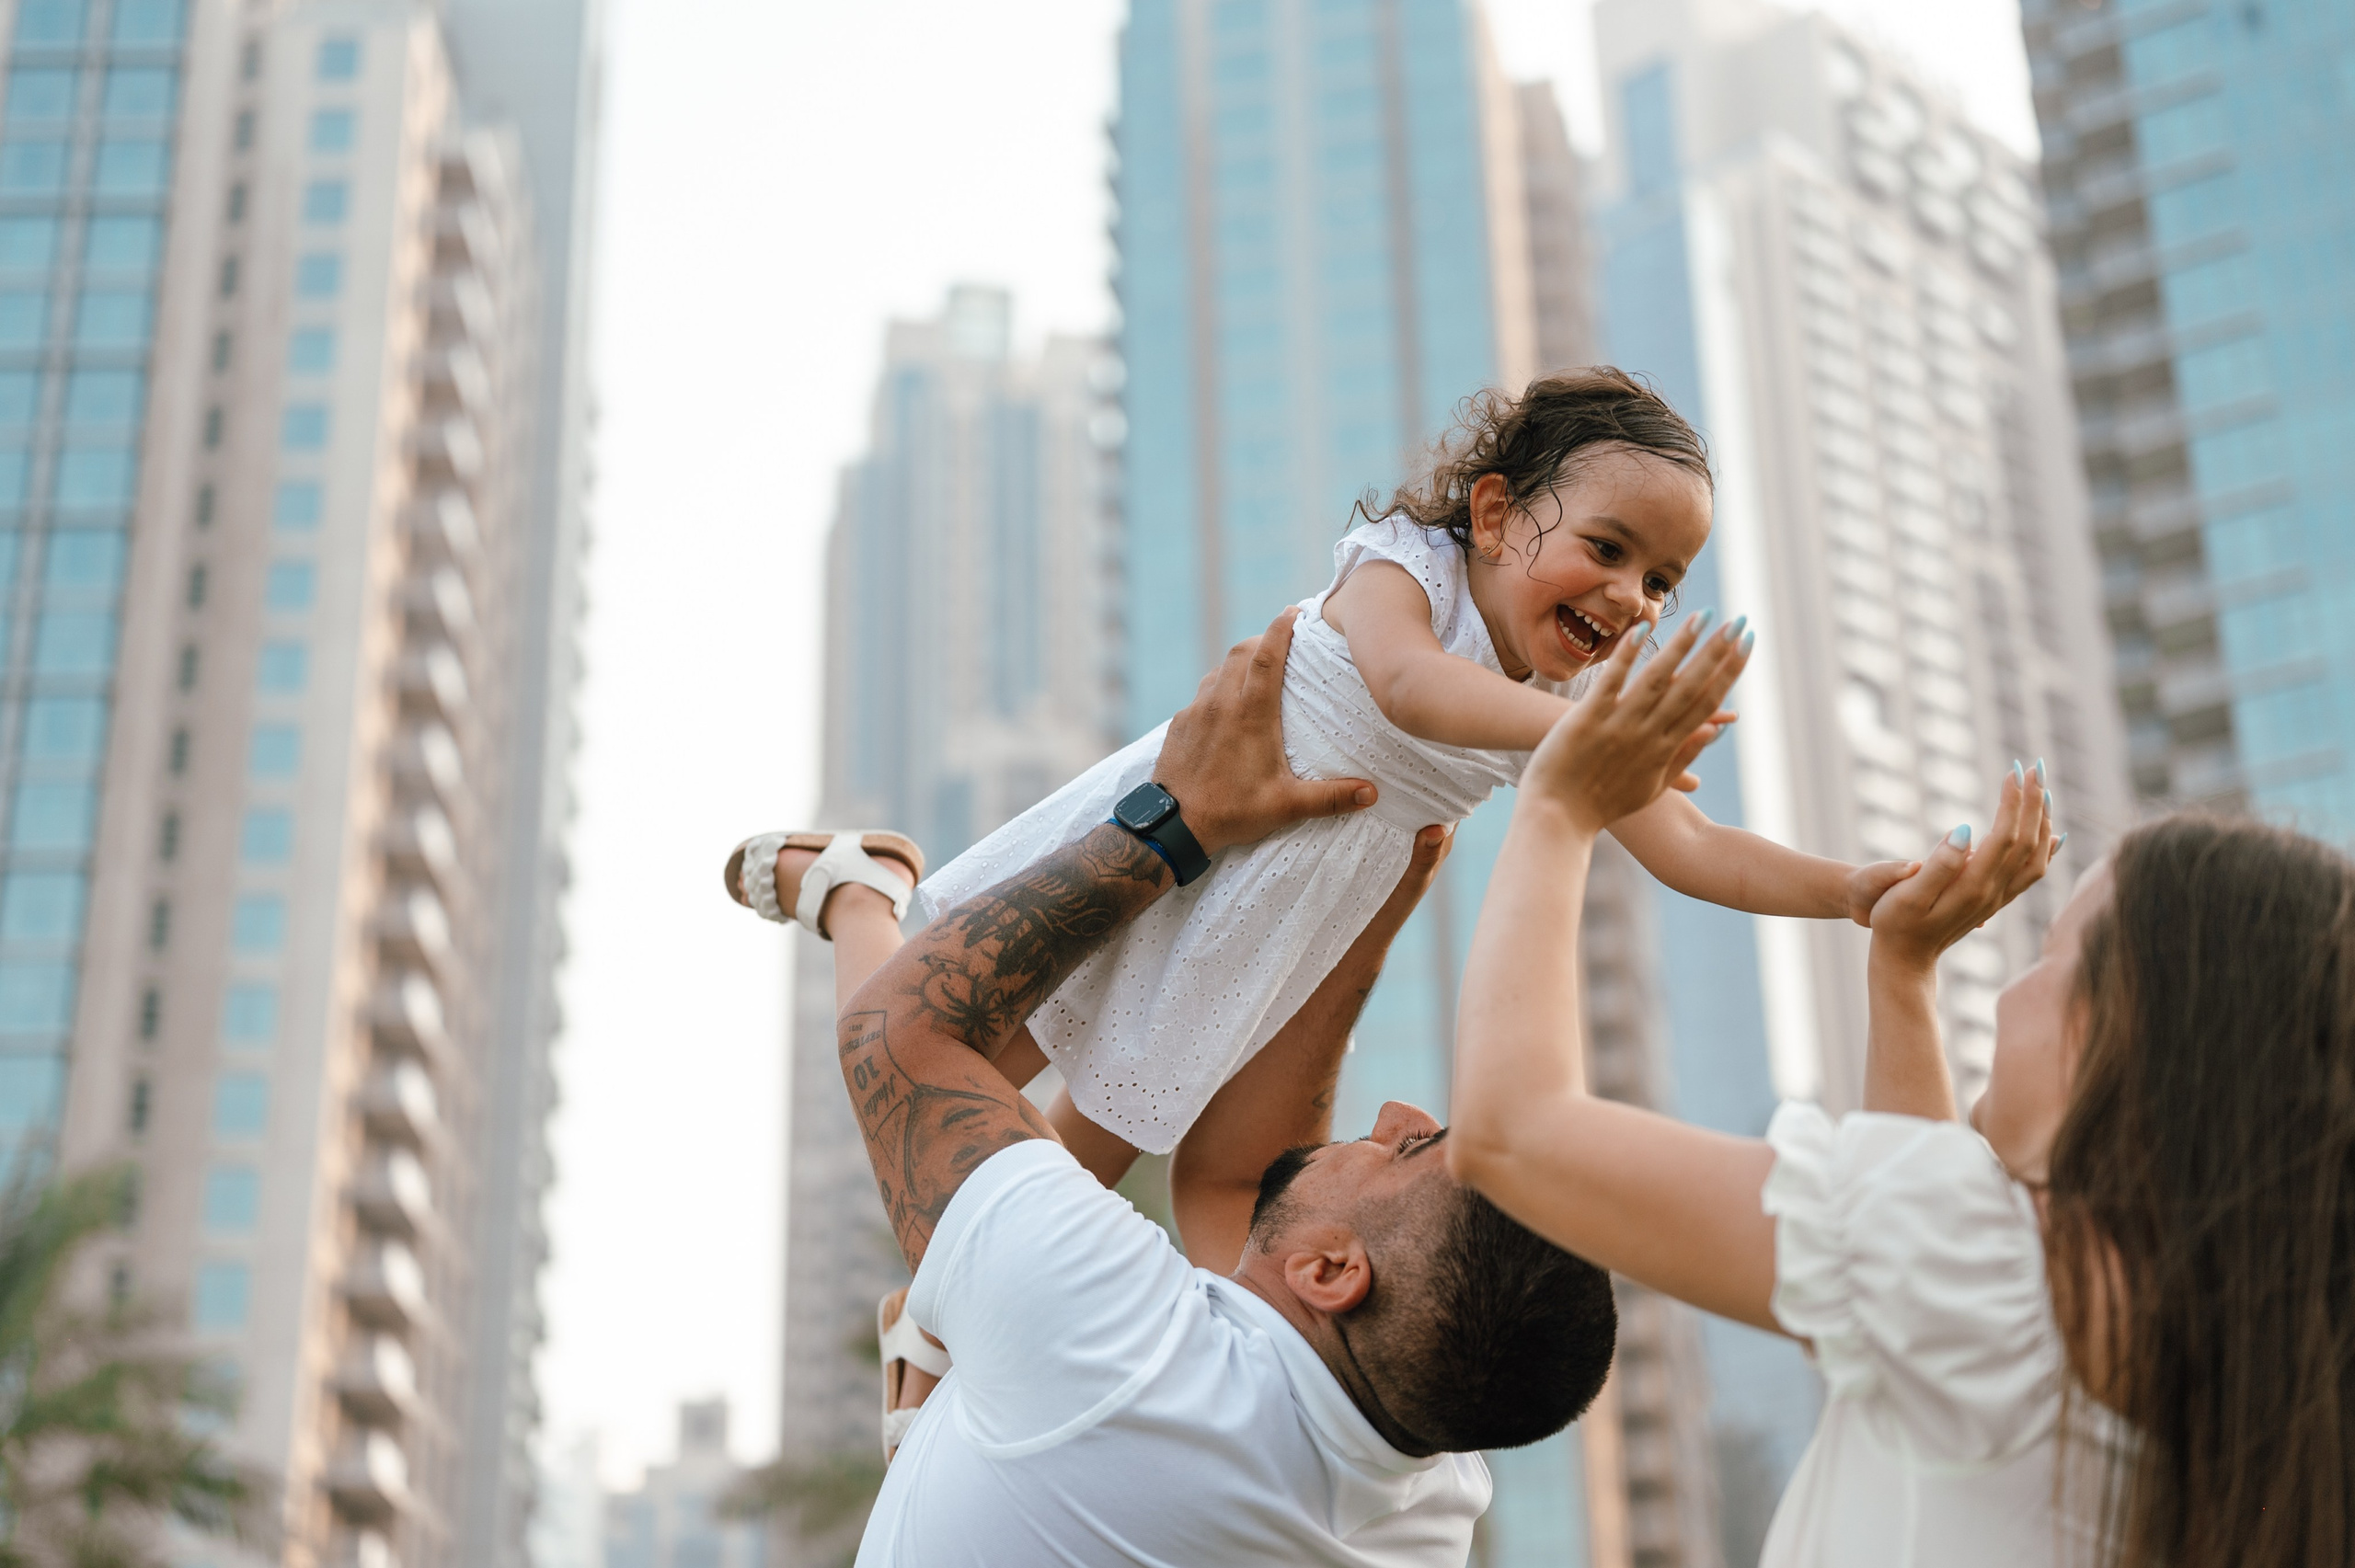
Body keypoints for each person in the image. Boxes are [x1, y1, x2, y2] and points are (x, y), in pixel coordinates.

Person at [748, 609, 1750, 1566]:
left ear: (1329, 1273)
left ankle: (860, 890)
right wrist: (1362, 908)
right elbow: (1237, 1182)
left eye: (1411, 1149)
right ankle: (859, 898)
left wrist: (1176, 824)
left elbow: (896, 1034)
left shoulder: (1121, 1354)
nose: (1398, 1113)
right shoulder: (1411, 1488)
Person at [791, 368, 1914, 1203]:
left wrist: (1858, 891)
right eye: (1610, 549)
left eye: (1664, 582)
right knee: (931, 1053)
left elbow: (1690, 846)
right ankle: (861, 888)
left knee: (1087, 1152)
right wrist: (1593, 744)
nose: (1634, 599)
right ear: (1490, 514)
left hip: (1278, 910)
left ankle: (940, 1329)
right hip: (1177, 826)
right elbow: (1408, 686)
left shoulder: (1559, 722)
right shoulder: (1405, 567)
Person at [1443, 627, 2355, 1564]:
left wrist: (1559, 801)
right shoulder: (2221, 1408)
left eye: (2049, 960)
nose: (2007, 994)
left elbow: (1512, 1132)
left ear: (2125, 1030)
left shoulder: (2001, 1302)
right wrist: (1902, 970)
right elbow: (1916, 1278)